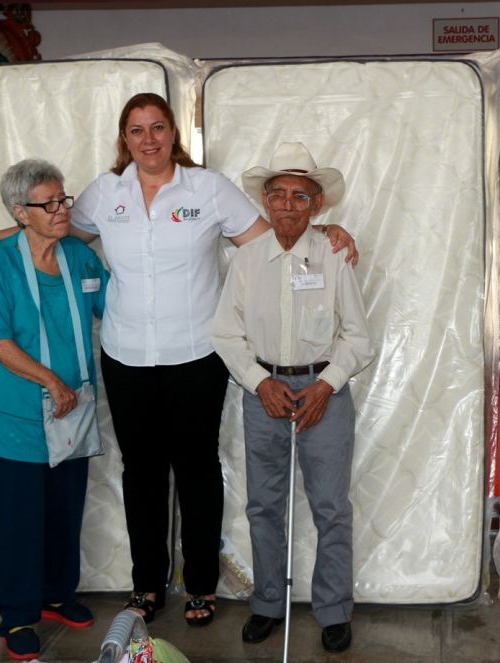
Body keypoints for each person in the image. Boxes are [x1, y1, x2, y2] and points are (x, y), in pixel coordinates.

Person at [0, 92, 358, 627]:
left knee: (198, 469)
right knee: (143, 474)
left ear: (173, 132)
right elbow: (51, 225)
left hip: (197, 354)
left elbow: (274, 241)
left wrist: (329, 233)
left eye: (157, 127)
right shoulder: (107, 193)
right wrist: (1, 235)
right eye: (136, 130)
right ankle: (147, 586)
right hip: (126, 355)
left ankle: (201, 586)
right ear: (124, 139)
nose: (148, 139)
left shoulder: (209, 188)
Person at [210, 142, 374, 654]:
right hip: (264, 393)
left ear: (316, 205)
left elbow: (358, 338)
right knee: (264, 505)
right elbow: (225, 335)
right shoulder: (246, 259)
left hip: (326, 391)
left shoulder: (335, 253)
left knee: (330, 506)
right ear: (263, 199)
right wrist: (260, 382)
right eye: (276, 194)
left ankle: (333, 610)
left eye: (298, 196)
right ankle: (266, 605)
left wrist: (327, 385)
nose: (286, 205)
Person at [0, 159, 106, 660]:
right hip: (19, 418)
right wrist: (51, 381)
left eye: (63, 199)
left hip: (72, 412)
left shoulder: (79, 256)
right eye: (47, 204)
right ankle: (18, 617)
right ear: (19, 213)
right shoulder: (0, 261)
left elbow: (112, 309)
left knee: (64, 512)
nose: (61, 209)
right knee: (20, 519)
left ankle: (57, 595)